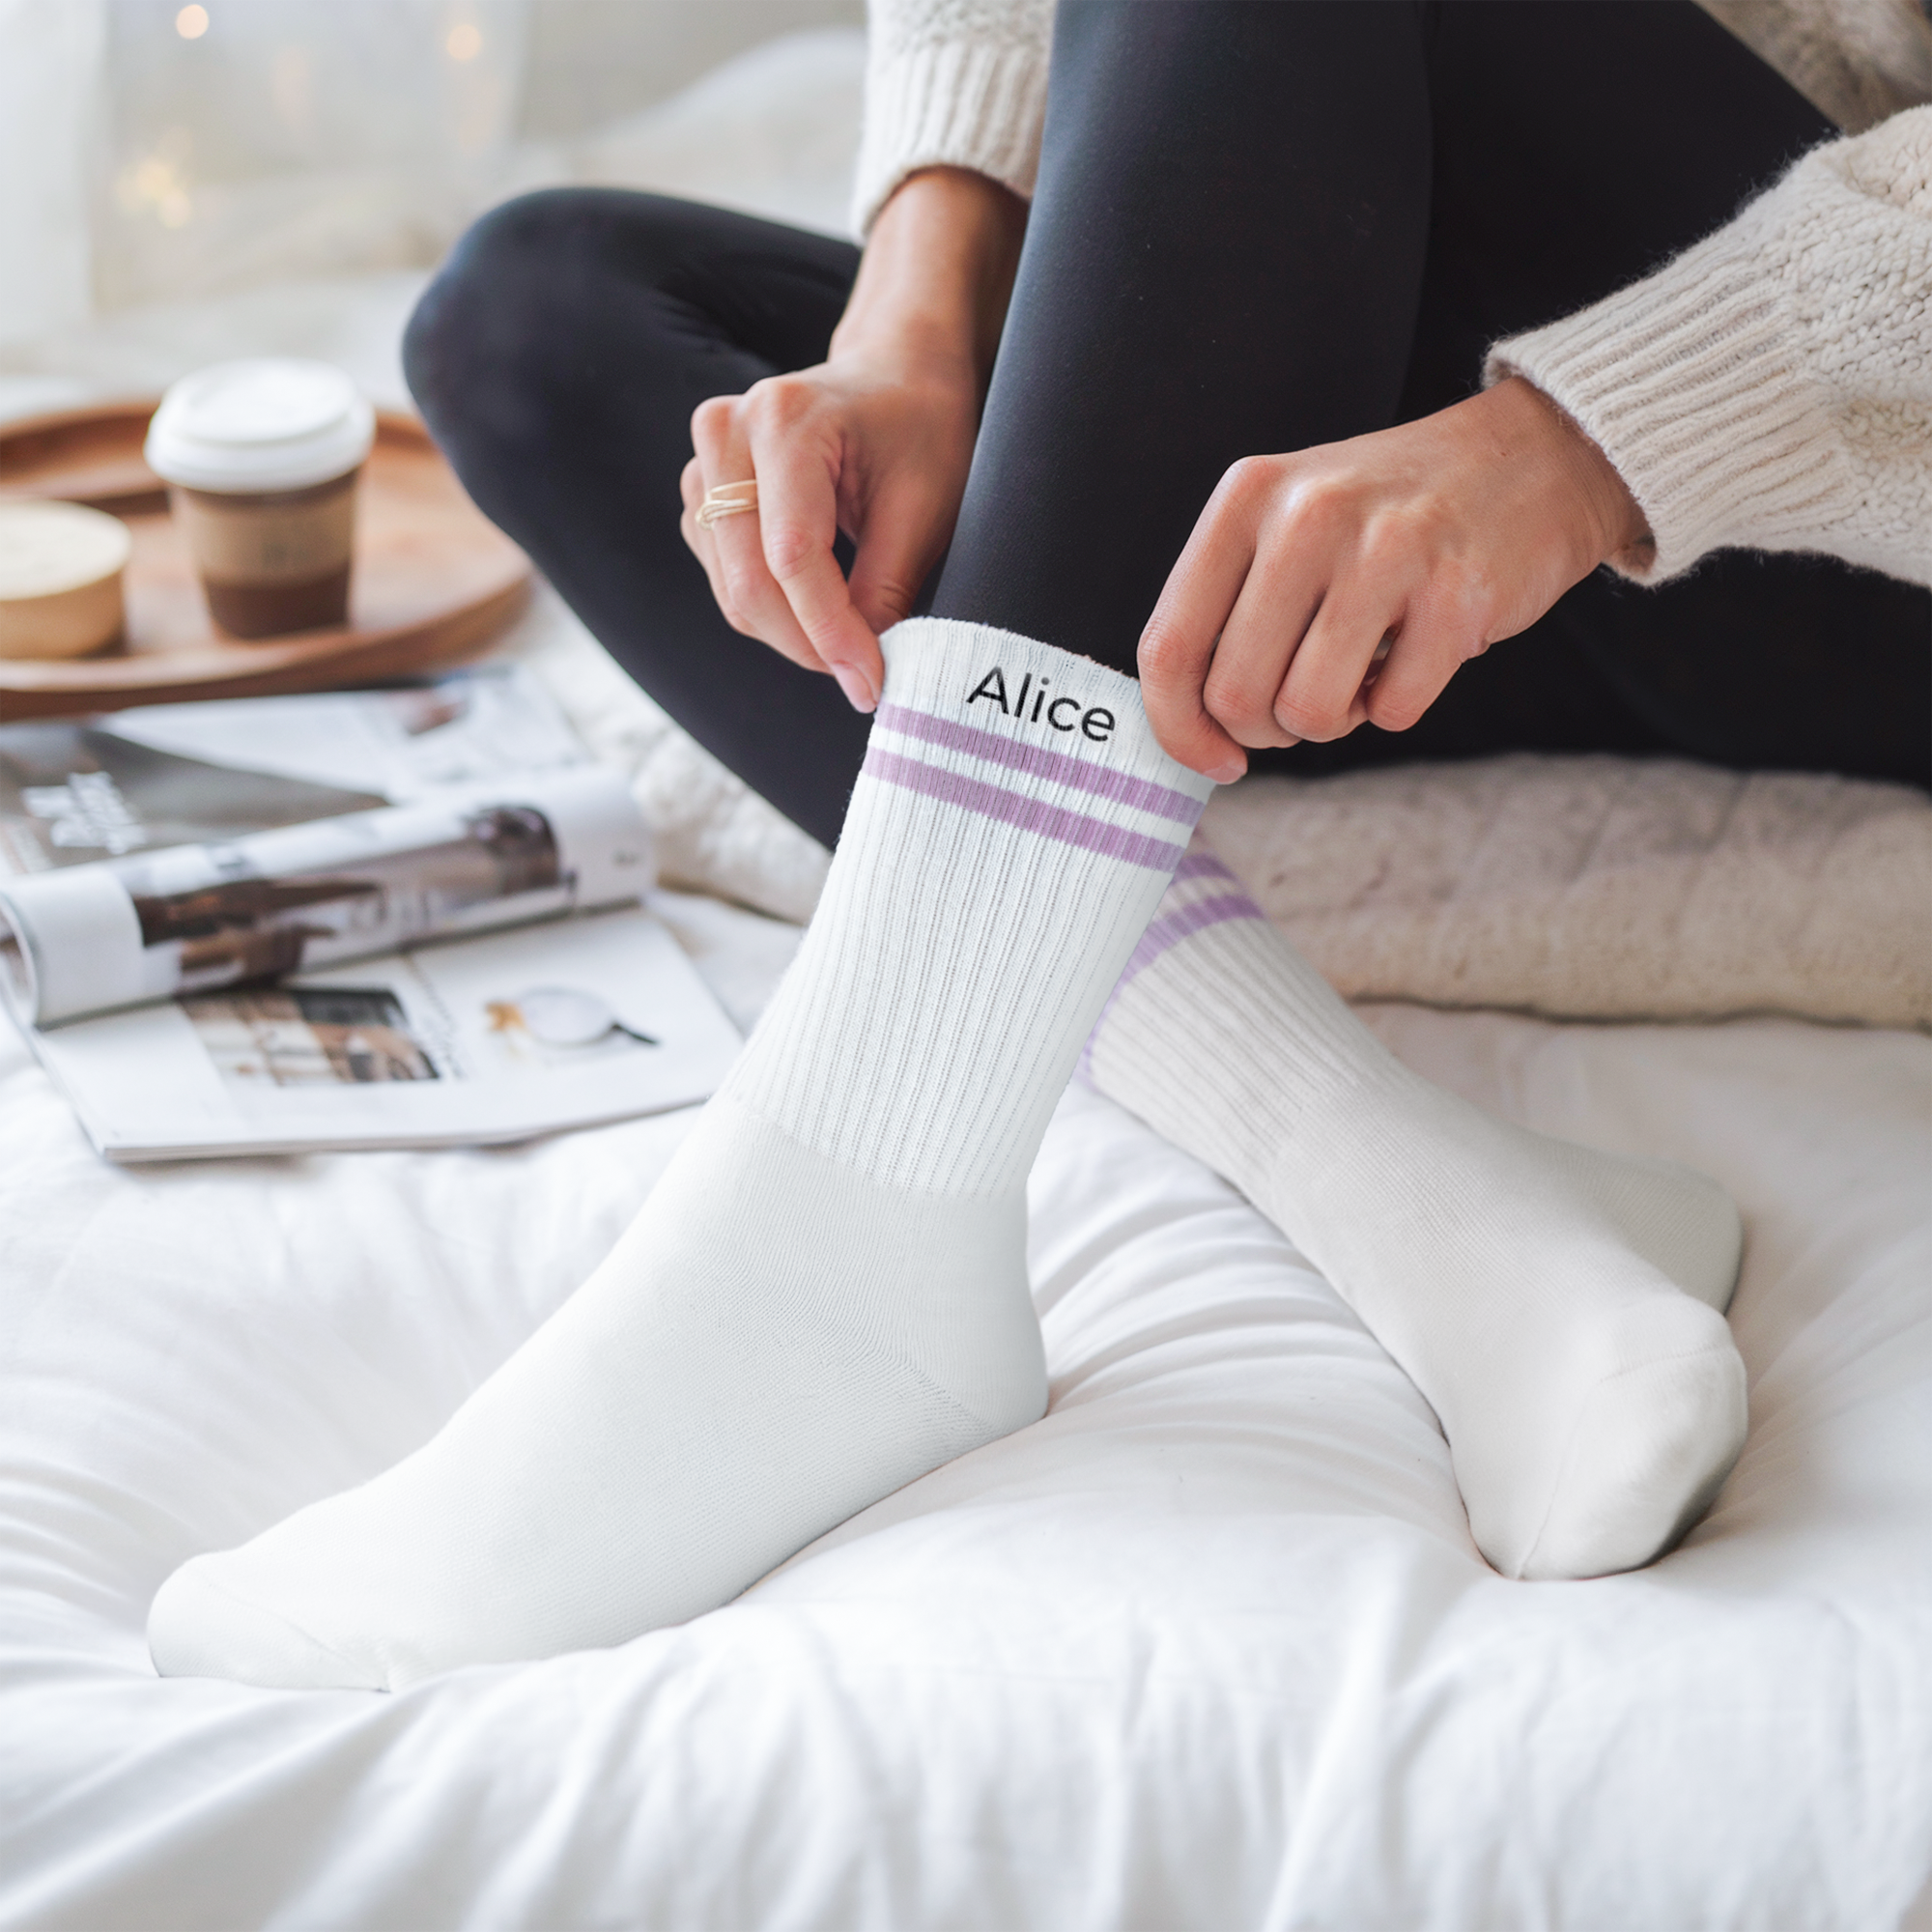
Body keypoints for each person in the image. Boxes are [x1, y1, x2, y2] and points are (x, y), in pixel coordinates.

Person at [149, 2, 1930, 1690]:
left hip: (1835, 516)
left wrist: (1570, 454)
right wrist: (918, 329)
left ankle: (848, 1208)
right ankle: (1403, 1186)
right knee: (543, 317)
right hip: (1339, 484)